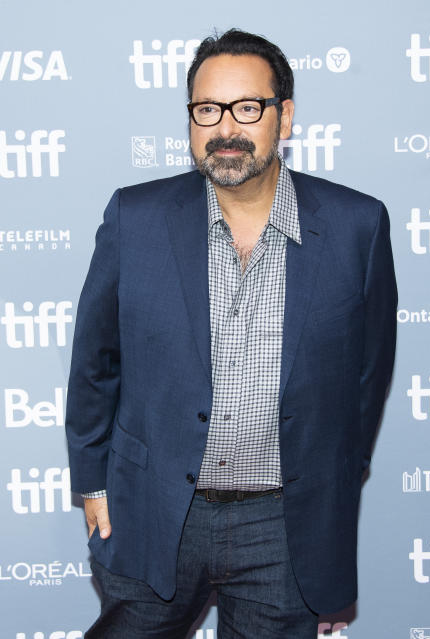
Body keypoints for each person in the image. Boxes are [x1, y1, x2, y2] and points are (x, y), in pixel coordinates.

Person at [65, 28, 397, 638]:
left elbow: (367, 378)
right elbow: (95, 361)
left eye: (248, 108)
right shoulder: (135, 219)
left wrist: (334, 481)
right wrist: (91, 480)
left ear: (285, 116)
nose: (226, 129)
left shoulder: (357, 226)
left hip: (284, 526)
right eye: (207, 110)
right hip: (154, 509)